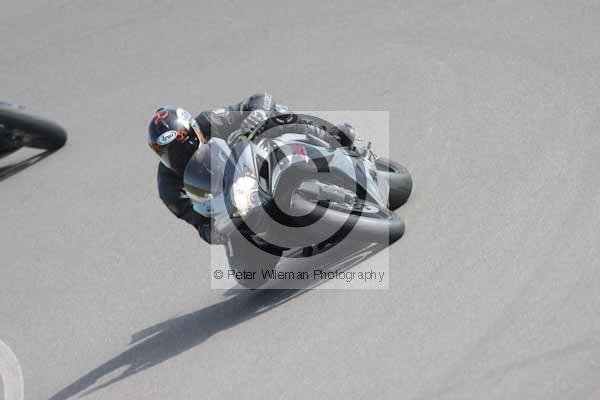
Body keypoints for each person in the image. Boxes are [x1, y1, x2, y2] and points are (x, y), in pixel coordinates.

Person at [146, 93, 356, 244]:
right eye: (168, 152)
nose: (180, 154)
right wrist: (213, 233)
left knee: (276, 117)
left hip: (254, 159)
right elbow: (197, 222)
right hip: (231, 200)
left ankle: (331, 137)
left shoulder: (209, 121)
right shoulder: (168, 186)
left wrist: (257, 113)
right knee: (248, 274)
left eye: (184, 143)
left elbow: (259, 99)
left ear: (195, 131)